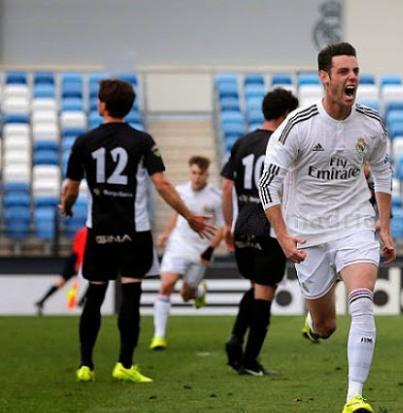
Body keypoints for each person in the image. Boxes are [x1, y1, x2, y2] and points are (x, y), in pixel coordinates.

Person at [258, 42, 395, 413]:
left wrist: (384, 225)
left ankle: (355, 396)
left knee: (363, 301)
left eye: (355, 71)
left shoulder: (371, 123)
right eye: (343, 72)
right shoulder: (297, 126)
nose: (352, 78)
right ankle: (315, 322)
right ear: (325, 77)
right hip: (308, 234)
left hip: (354, 225)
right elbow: (268, 182)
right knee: (326, 325)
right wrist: (283, 235)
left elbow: (383, 171)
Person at [60, 78, 215, 384]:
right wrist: (189, 216)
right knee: (131, 296)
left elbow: (72, 188)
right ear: (129, 107)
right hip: (135, 231)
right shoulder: (142, 140)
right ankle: (125, 363)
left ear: (102, 105)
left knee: (95, 297)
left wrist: (66, 205)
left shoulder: (84, 142)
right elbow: (162, 184)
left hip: (98, 231)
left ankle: (86, 365)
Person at [221, 88, 299, 376]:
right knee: (264, 295)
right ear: (283, 116)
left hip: (242, 227)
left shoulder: (242, 142)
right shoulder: (283, 145)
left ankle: (235, 339)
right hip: (269, 228)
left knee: (256, 287)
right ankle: (250, 360)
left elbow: (226, 186)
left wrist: (229, 226)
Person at [149, 155, 225, 350]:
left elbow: (223, 228)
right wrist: (166, 234)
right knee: (166, 284)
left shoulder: (216, 197)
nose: (197, 177)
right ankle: (159, 336)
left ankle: (198, 291)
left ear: (207, 173)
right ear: (189, 172)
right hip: (178, 245)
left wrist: (209, 250)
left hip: (200, 250)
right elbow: (177, 214)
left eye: (200, 173)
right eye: (193, 173)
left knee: (185, 294)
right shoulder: (180, 191)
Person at [35, 226, 88, 315]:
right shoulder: (89, 232)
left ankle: (42, 301)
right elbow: (82, 249)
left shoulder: (82, 230)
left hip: (73, 257)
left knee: (62, 281)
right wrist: (79, 264)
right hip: (78, 259)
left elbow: (76, 245)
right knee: (94, 280)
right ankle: (82, 301)